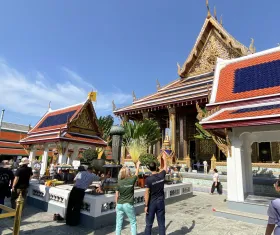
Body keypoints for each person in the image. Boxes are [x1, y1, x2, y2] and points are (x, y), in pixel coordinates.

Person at [144, 153, 168, 235]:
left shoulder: (148, 179)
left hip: (152, 203)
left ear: (150, 169)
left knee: (149, 224)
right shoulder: (161, 176)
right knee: (161, 224)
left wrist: (146, 205)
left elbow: (146, 193)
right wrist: (165, 159)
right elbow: (165, 168)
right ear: (156, 167)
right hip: (161, 202)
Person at [115, 161, 140, 235]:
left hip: (119, 204)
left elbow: (116, 195)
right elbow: (136, 174)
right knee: (133, 222)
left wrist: (116, 205)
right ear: (127, 173)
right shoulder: (131, 180)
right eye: (129, 171)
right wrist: (137, 165)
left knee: (118, 223)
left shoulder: (119, 182)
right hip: (128, 203)